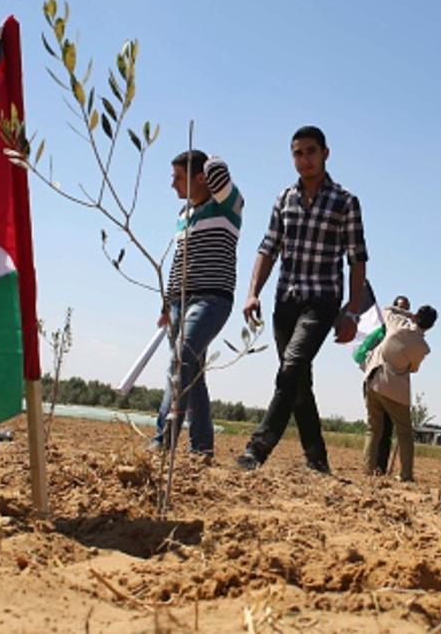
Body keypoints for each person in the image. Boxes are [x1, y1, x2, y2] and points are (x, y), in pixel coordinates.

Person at [236, 126, 369, 473]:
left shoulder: (345, 201)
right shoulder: (284, 199)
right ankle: (317, 459)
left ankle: (257, 449)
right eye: (298, 153)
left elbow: (357, 260)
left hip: (322, 301)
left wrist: (352, 311)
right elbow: (268, 248)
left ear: (326, 153)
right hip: (286, 300)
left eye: (311, 151)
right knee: (297, 380)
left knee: (291, 366)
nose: (304, 159)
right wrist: (252, 293)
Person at [151, 152, 242, 457]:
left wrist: (211, 160)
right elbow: (179, 262)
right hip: (179, 301)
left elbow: (220, 175)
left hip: (212, 298)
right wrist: (166, 304)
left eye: (178, 177)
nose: (172, 184)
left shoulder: (228, 205)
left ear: (201, 178)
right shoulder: (183, 215)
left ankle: (161, 441)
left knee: (181, 361)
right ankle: (202, 448)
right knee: (192, 374)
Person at [363, 305, 437, 481]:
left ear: (416, 316)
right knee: (404, 433)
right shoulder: (423, 347)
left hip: (373, 379)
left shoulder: (397, 324)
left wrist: (407, 314)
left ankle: (368, 468)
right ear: (431, 326)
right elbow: (413, 368)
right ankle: (406, 474)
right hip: (396, 389)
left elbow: (387, 309)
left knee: (373, 428)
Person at [374, 294, 412, 474]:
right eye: (401, 308)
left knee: (387, 429)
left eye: (407, 308)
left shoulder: (410, 333)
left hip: (395, 386)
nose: (404, 312)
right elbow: (388, 309)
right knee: (377, 429)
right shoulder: (386, 330)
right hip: (378, 380)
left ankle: (381, 467)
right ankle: (374, 467)